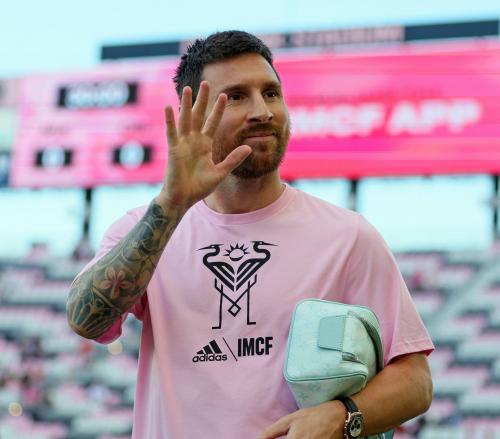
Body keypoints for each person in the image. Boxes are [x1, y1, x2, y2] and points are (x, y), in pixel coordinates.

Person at [66, 30, 434, 439]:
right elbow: (86, 319)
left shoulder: (348, 237)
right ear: (195, 115)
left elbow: (415, 381)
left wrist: (342, 416)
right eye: (237, 96)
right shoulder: (149, 227)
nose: (262, 110)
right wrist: (170, 207)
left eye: (271, 93)